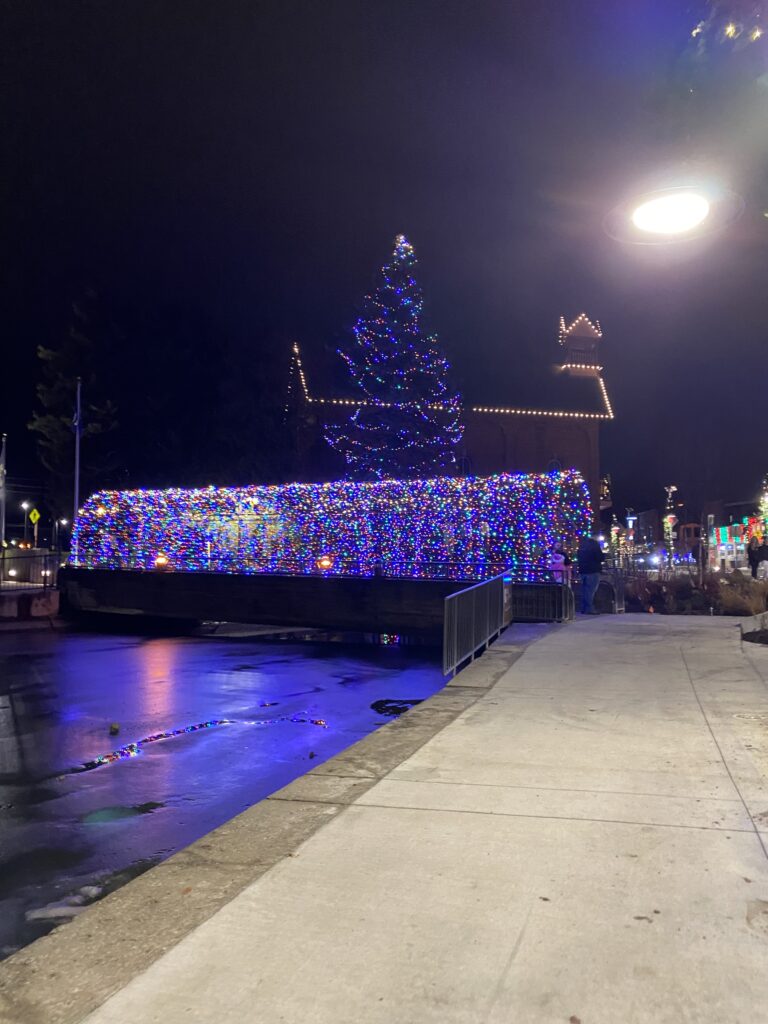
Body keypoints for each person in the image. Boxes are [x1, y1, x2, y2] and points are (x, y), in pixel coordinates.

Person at [577, 534, 604, 614]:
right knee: (591, 590)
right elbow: (599, 557)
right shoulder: (595, 545)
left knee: (584, 590)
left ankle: (583, 608)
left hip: (583, 570)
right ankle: (589, 608)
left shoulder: (582, 545)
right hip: (593, 570)